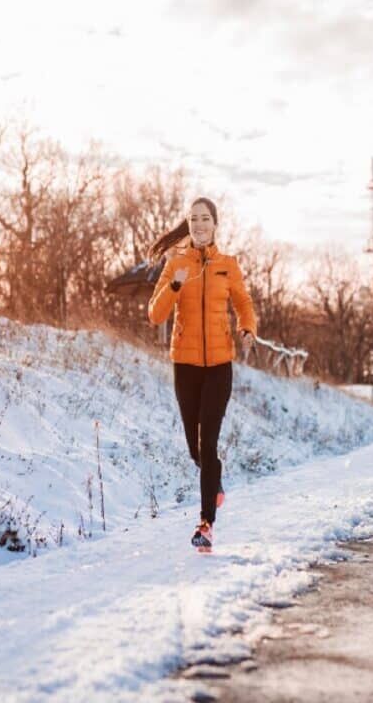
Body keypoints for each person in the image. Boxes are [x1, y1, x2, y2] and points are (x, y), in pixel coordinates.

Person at [147, 197, 257, 553]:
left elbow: (243, 302)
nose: (198, 223)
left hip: (220, 365)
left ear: (215, 223)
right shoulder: (175, 262)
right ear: (188, 224)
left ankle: (206, 523)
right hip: (185, 364)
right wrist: (174, 285)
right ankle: (216, 477)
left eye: (205, 218)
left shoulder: (228, 265)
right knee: (196, 449)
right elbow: (155, 314)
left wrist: (247, 328)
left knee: (208, 442)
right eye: (193, 218)